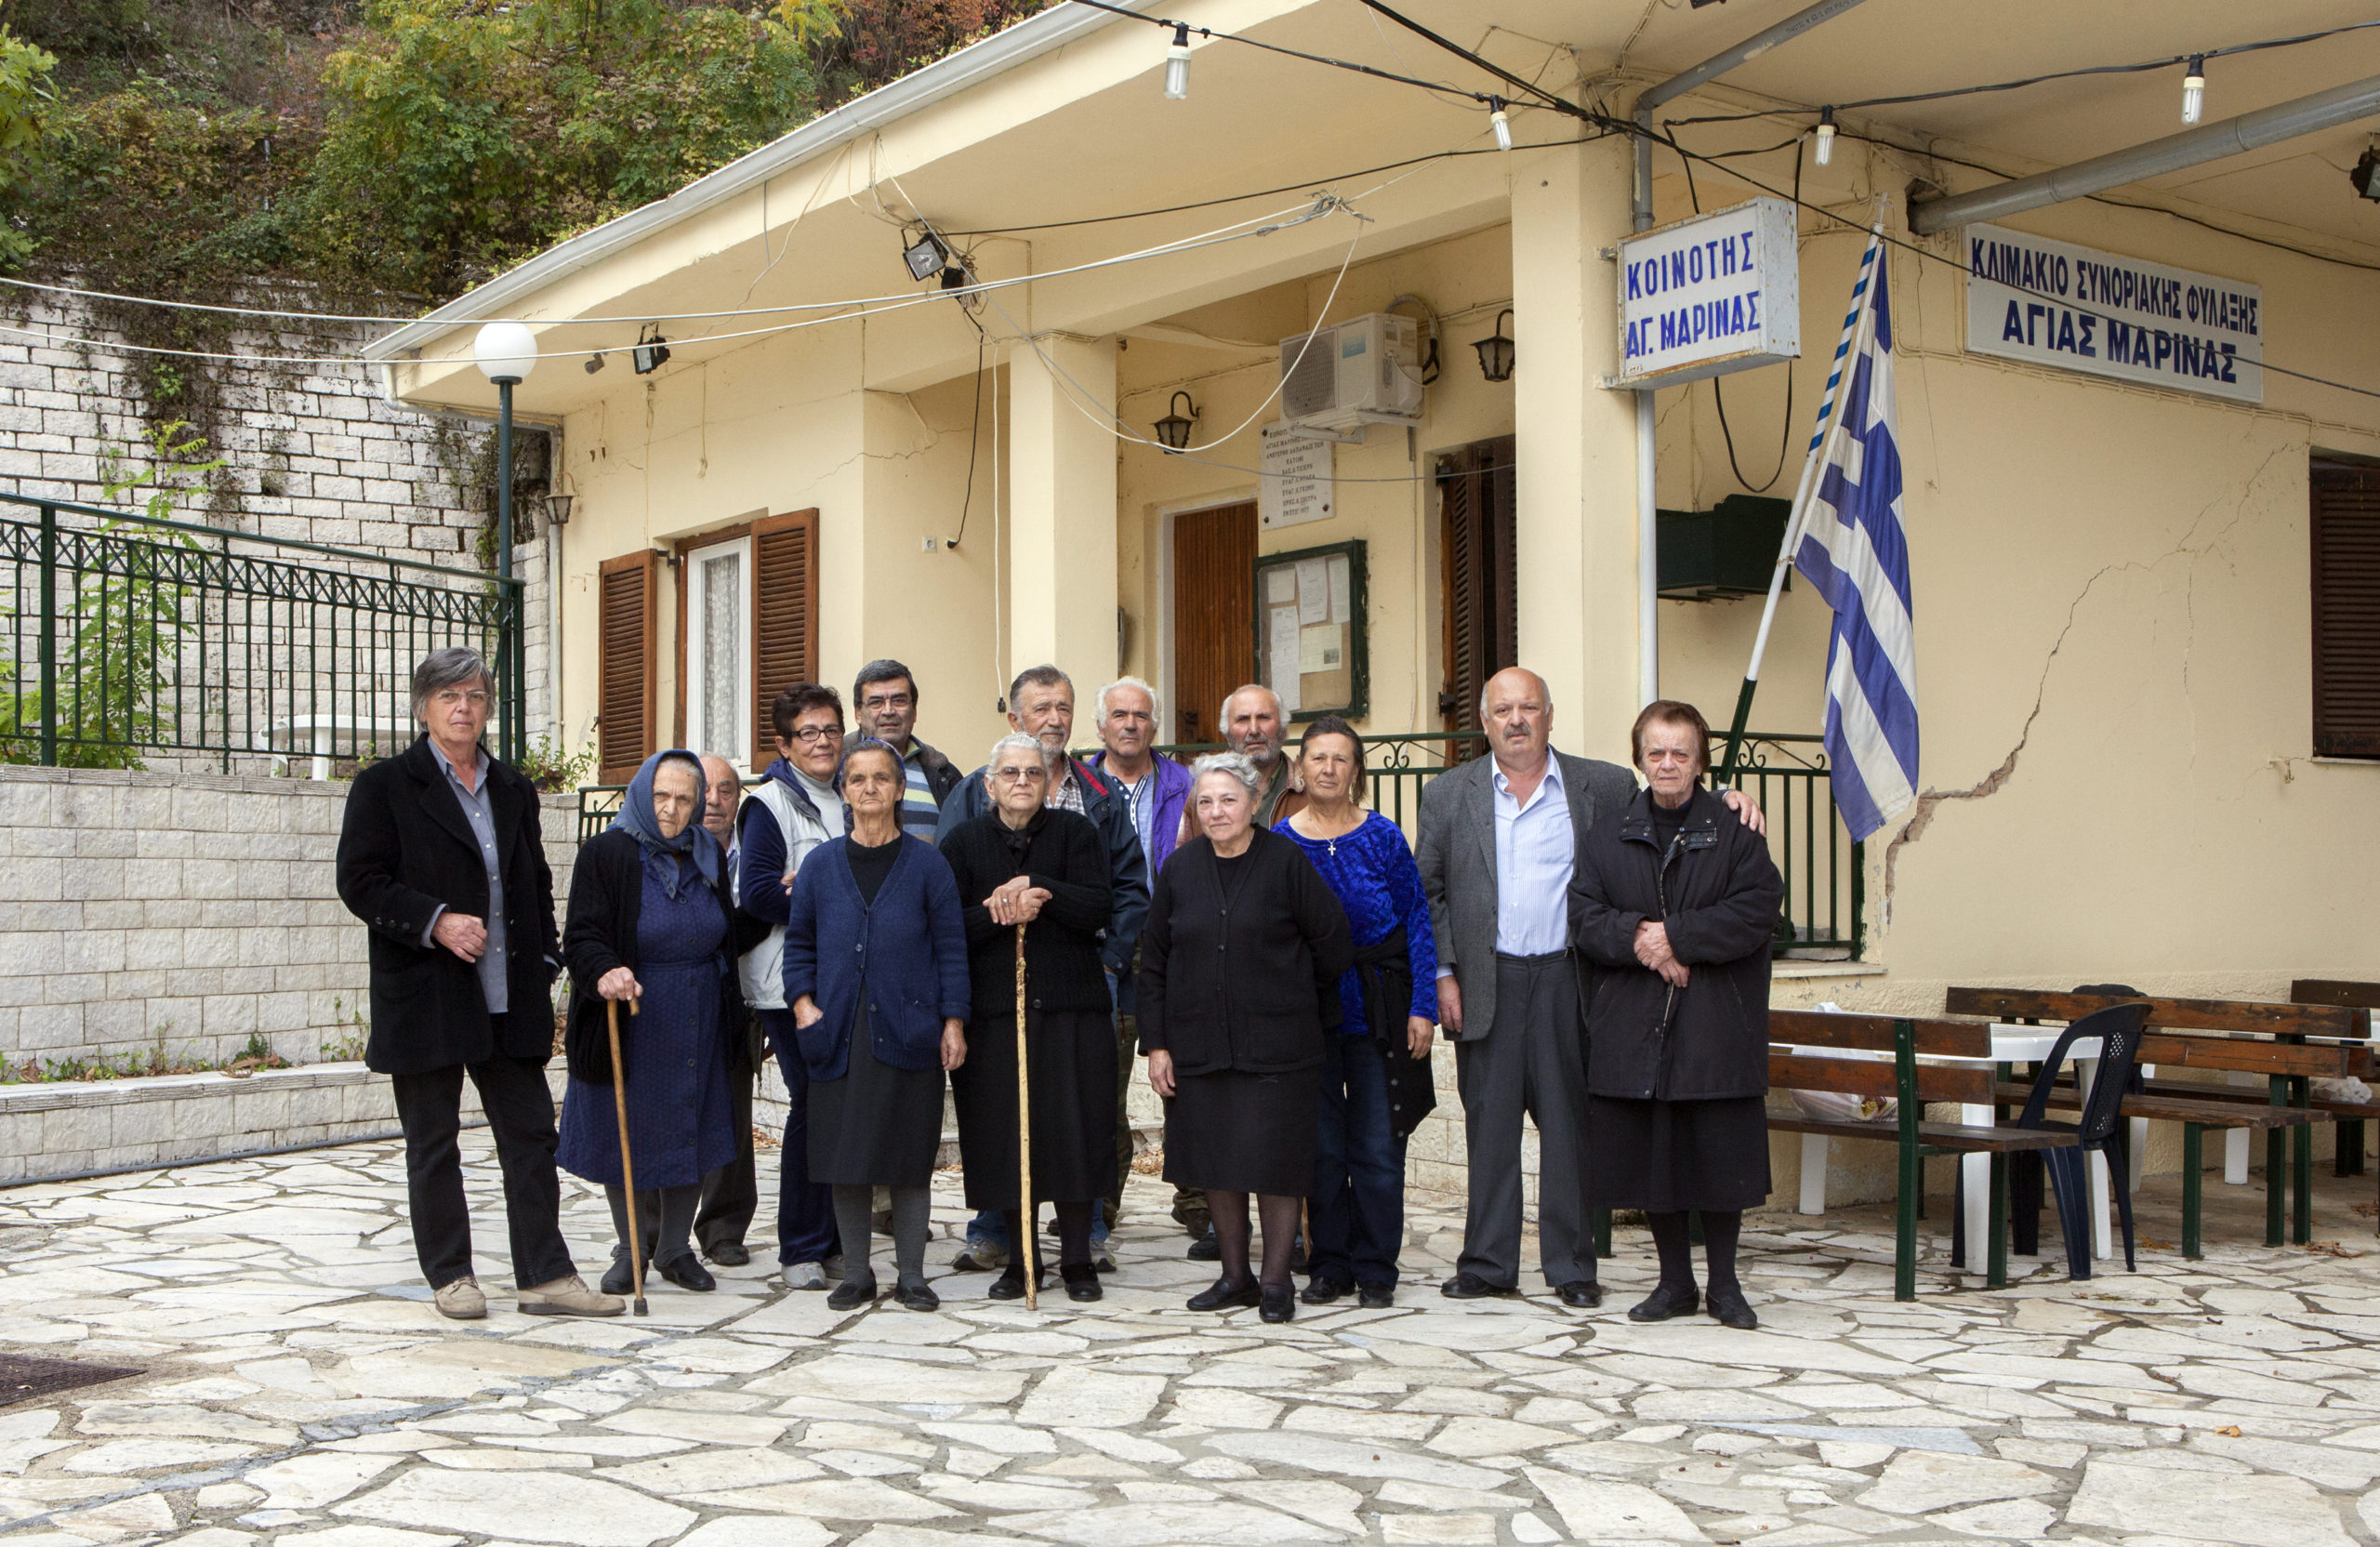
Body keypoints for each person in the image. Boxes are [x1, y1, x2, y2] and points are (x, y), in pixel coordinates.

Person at [1416, 667, 1765, 1309]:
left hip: (1573, 978)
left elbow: (1670, 810)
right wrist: (1442, 973)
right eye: (1502, 710)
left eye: (1529, 707)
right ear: (1485, 721)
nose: (1516, 720)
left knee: (1572, 1128)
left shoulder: (1602, 785)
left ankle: (1573, 1265)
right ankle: (1488, 1262)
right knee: (1488, 1128)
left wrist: (1733, 796)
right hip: (1485, 978)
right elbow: (1429, 891)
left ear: (1551, 715)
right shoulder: (1446, 795)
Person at [335, 647, 621, 1320]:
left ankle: (545, 1277)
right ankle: (452, 1275)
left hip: (508, 995)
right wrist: (435, 922)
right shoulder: (385, 787)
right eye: (448, 697)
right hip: (428, 994)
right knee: (434, 1143)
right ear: (423, 706)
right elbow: (360, 880)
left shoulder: (513, 789)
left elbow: (536, 884)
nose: (463, 708)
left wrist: (547, 961)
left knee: (529, 1138)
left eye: (474, 696)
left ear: (488, 708)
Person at [1571, 701, 1784, 1330]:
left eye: (1680, 753)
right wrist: (1641, 938)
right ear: (1639, 758)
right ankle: (1674, 1285)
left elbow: (1758, 909)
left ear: (1700, 761)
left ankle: (1724, 1286)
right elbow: (1582, 914)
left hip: (1716, 1027)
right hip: (1635, 1029)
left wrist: (1679, 937)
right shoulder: (1608, 833)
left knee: (1719, 1162)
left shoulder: (1735, 830)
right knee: (1654, 1160)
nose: (1667, 763)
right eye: (1656, 752)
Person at [937, 666, 1150, 1273]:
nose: (1024, 780)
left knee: (1080, 1121)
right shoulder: (965, 826)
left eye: (1032, 772)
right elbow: (947, 915)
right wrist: (998, 910)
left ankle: (1083, 1251)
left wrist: (1043, 893)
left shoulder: (1086, 816)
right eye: (1011, 772)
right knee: (1004, 1127)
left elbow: (1112, 898)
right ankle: (1011, 1250)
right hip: (995, 1005)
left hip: (1077, 998)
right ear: (990, 783)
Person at [1140, 753, 1352, 1324]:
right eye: (1205, 801)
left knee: (1277, 1163)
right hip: (1199, 1045)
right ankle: (1235, 1276)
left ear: (1255, 802)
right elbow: (1154, 961)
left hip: (1279, 1046)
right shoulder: (1181, 870)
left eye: (1228, 799)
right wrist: (1157, 1044)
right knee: (1216, 1162)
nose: (1216, 811)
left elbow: (1332, 941)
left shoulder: (1286, 862)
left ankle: (1277, 1281)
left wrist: (1285, 992)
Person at [559, 751, 763, 1296]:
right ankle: (632, 1249)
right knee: (628, 1131)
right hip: (635, 1016)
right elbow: (580, 936)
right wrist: (605, 970)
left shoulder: (708, 855)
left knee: (690, 1131)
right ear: (642, 794)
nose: (672, 810)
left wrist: (775, 903)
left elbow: (725, 930)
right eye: (662, 797)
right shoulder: (606, 854)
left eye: (685, 799)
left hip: (699, 1016)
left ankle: (674, 1248)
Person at [784, 738, 971, 1312]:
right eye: (858, 779)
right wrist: (803, 1005)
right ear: (844, 791)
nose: (869, 788)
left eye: (881, 778)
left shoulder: (926, 863)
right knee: (847, 1157)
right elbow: (799, 945)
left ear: (898, 788)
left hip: (908, 1030)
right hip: (838, 1031)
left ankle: (912, 1275)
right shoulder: (820, 865)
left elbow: (951, 950)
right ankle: (858, 1273)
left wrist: (953, 1022)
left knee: (908, 1156)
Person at [1276, 717, 1438, 1309]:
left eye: (1340, 759)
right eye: (1317, 757)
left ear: (1356, 772)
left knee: (1375, 1146)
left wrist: (1423, 1006)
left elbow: (1418, 921)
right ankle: (1329, 1266)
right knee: (1321, 1150)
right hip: (1309, 1016)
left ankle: (1376, 1269)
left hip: (1380, 1010)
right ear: (1299, 769)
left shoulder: (1384, 837)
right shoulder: (1283, 843)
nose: (1327, 768)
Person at [734, 685, 849, 1291]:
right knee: (812, 1108)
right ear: (784, 744)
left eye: (831, 729)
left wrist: (806, 888)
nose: (823, 742)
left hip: (842, 980)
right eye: (808, 732)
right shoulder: (770, 805)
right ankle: (800, 1247)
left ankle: (831, 1240)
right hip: (786, 983)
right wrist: (829, 898)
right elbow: (757, 892)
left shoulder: (849, 798)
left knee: (834, 1109)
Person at [1084, 676, 1196, 1245]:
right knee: (1104, 1080)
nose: (1130, 724)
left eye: (1141, 716)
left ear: (1155, 726)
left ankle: (1200, 1205)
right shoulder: (1079, 786)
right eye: (1119, 714)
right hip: (1107, 946)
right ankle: (1101, 1206)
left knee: (1189, 1078)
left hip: (1175, 947)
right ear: (1100, 726)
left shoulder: (1187, 784)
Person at [692, 753, 762, 1270]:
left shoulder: (754, 851)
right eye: (705, 790)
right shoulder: (667, 850)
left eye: (726, 790)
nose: (714, 801)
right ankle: (648, 1232)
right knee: (667, 1115)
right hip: (678, 998)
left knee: (732, 1116)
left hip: (743, 1000)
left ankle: (724, 1229)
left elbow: (759, 912)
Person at [848, 658, 964, 840]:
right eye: (876, 703)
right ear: (858, 714)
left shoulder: (943, 774)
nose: (888, 711)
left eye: (899, 701)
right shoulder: (835, 766)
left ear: (914, 711)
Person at [1181, 685, 1306, 841]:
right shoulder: (1201, 793)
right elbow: (1184, 859)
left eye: (1264, 718)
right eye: (1243, 719)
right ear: (1227, 733)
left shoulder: (1308, 792)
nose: (1254, 730)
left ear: (1283, 730)